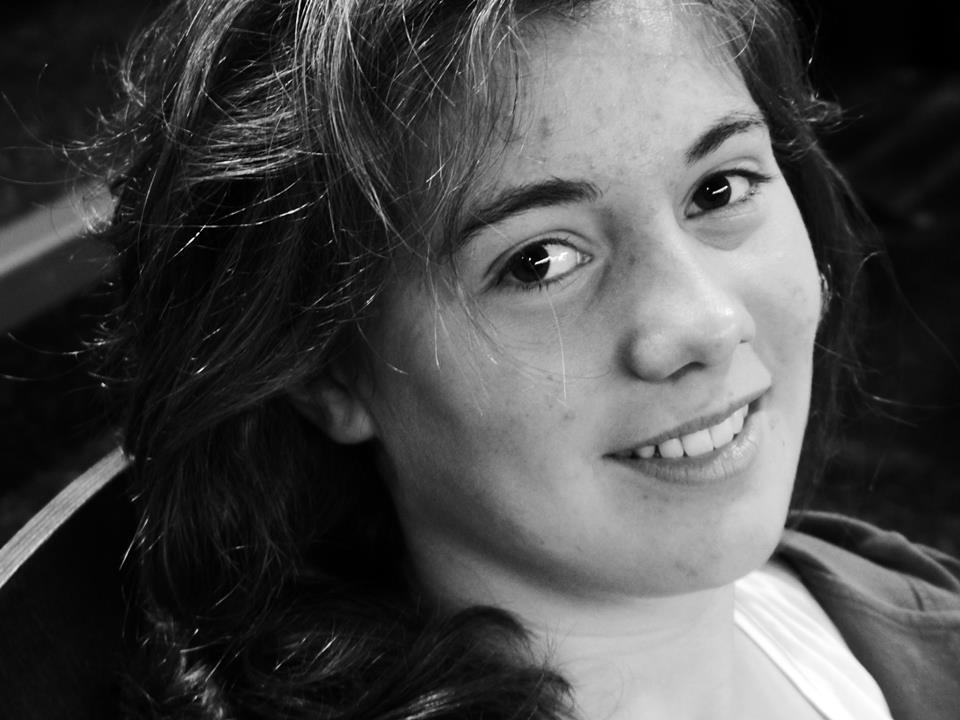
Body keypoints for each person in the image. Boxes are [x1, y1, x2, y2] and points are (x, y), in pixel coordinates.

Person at [91, 0, 960, 718]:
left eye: (719, 189)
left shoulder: (882, 594)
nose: (705, 322)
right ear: (322, 372)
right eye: (537, 261)